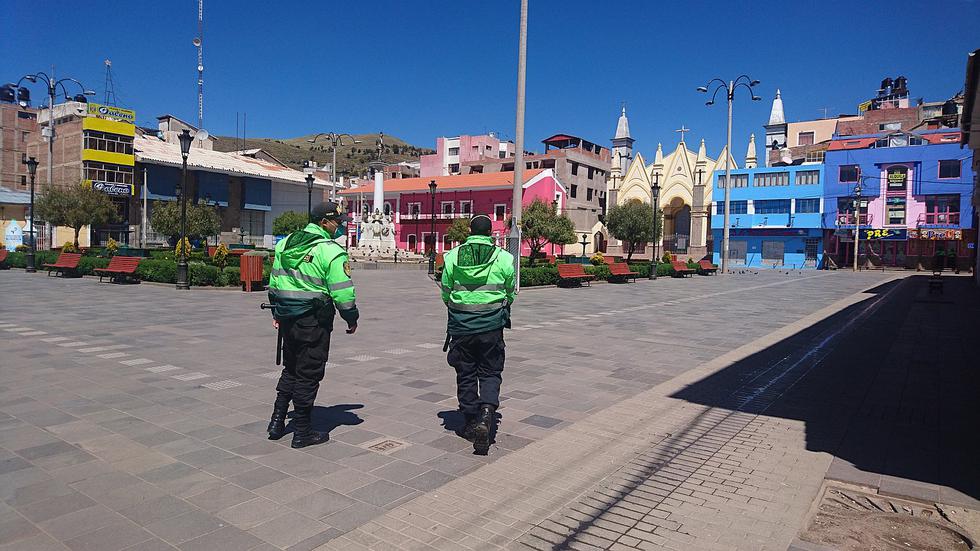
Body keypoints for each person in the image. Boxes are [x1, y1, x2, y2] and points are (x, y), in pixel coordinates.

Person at [266, 201, 358, 448]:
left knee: (291, 368)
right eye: (337, 222)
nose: (340, 226)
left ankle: (276, 421)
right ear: (323, 222)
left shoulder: (285, 243)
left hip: (287, 318)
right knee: (309, 373)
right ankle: (302, 432)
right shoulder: (330, 251)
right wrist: (351, 318)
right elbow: (342, 291)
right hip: (314, 321)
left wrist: (276, 313)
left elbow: (274, 281)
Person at [440, 215, 516, 454]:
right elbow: (510, 289)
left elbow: (446, 289)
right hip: (492, 326)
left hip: (461, 326)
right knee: (491, 371)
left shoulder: (452, 256)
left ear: (470, 231)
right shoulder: (503, 257)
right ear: (490, 233)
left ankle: (471, 420)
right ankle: (487, 413)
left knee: (466, 372)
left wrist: (455, 305)